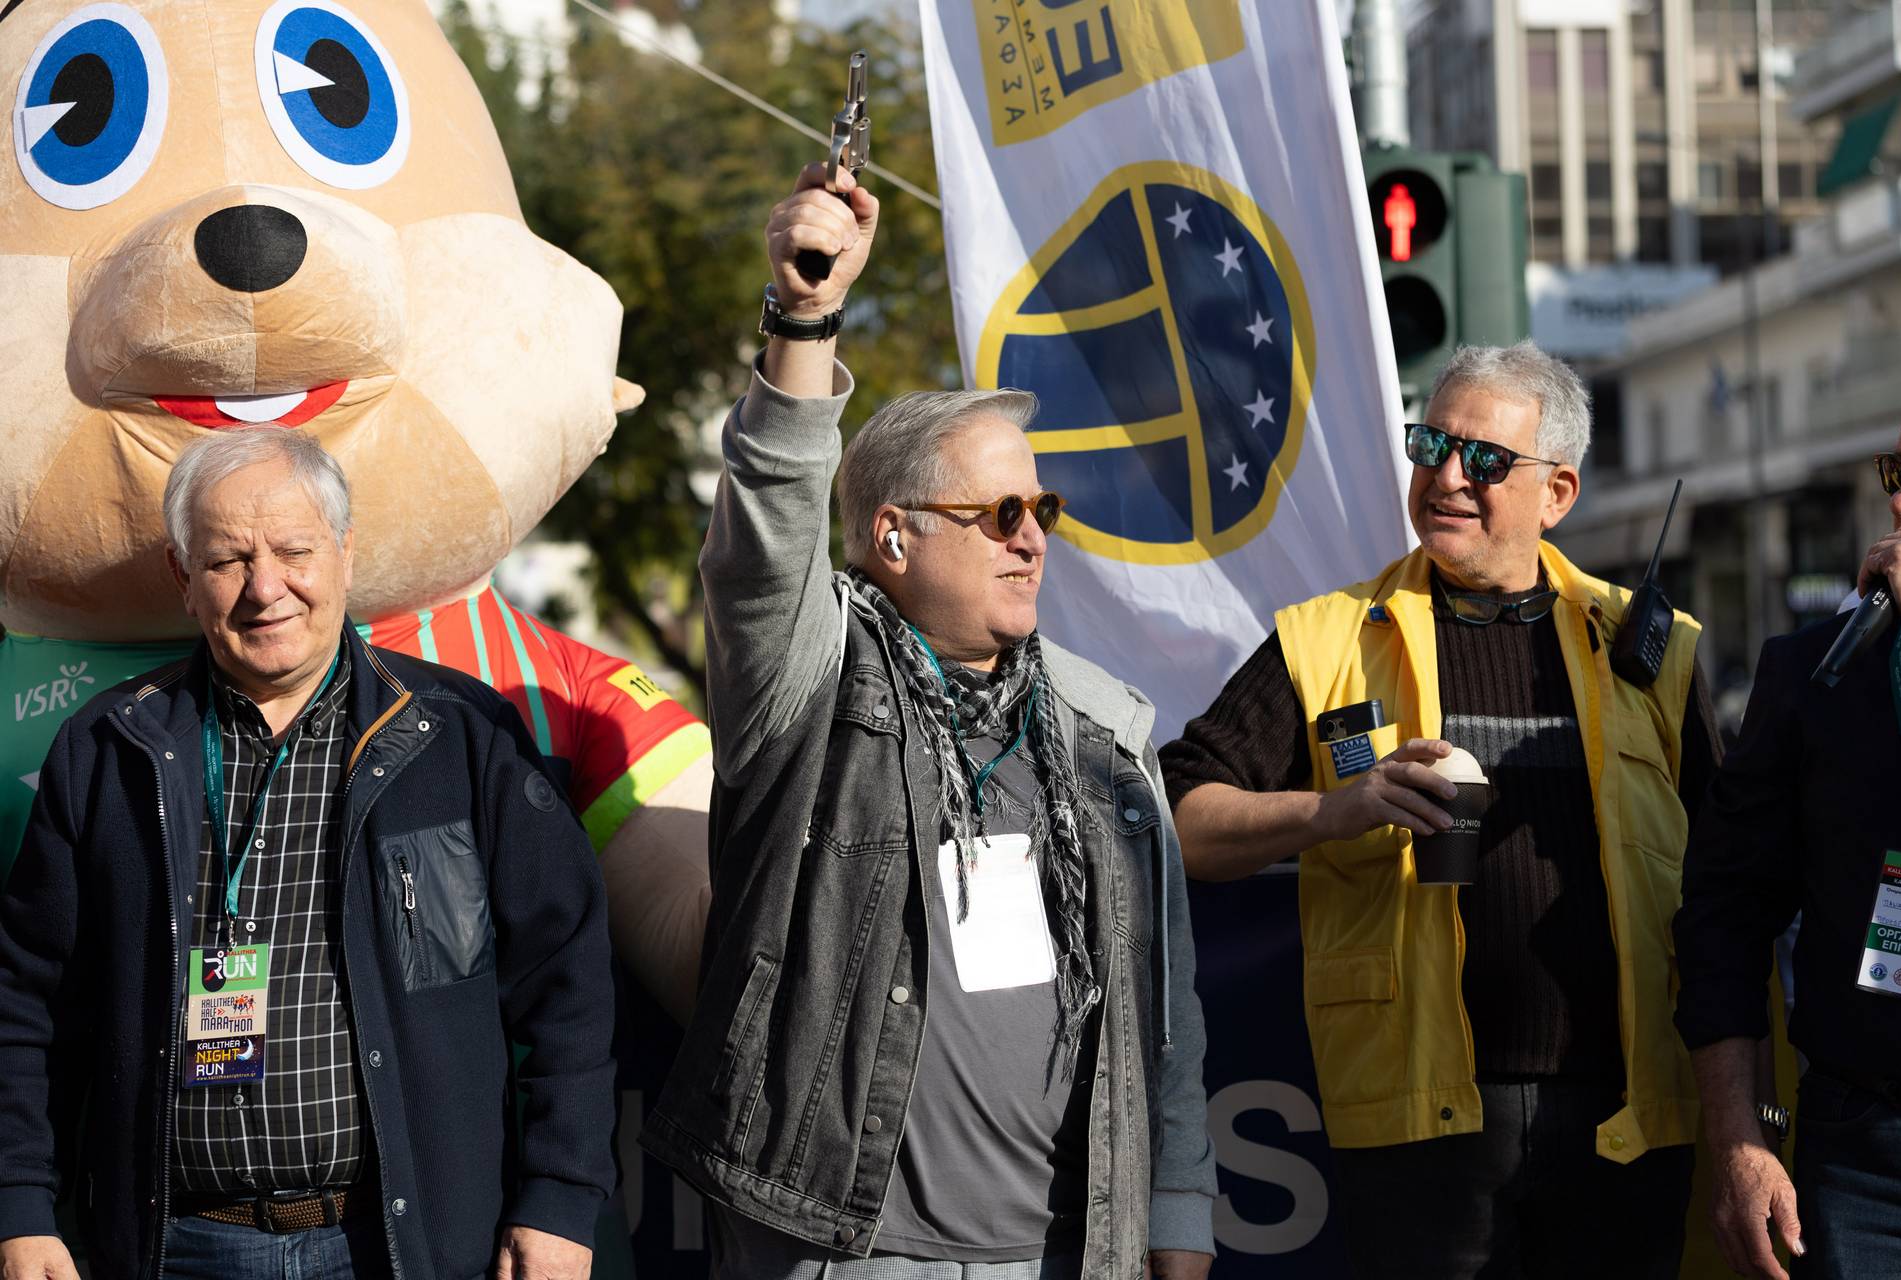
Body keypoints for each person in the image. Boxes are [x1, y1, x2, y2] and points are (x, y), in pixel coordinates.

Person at [639, 164, 1216, 1280]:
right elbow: (766, 535)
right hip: (842, 1246)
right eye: (999, 513)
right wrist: (804, 317)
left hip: (1066, 1252)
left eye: (1040, 509)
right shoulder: (811, 688)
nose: (1032, 538)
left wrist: (1178, 1204)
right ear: (894, 537)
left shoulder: (1103, 731)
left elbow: (1164, 997)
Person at [1160, 342, 1721, 1278]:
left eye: (1487, 459)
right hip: (1420, 1128)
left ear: (1557, 493)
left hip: (1625, 1120)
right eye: (1432, 445)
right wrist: (1326, 813)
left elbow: (1734, 885)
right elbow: (1175, 820)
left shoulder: (1653, 651)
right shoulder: (1327, 637)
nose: (1448, 476)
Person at [0, 429, 616, 1280]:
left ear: (345, 554)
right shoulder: (108, 750)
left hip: (405, 1249)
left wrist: (560, 1197)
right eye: (227, 560)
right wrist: (19, 1204)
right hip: (177, 1250)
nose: (265, 588)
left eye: (294, 551)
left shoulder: (461, 738)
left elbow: (566, 984)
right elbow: (27, 1001)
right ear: (183, 578)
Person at [1675, 396, 1901, 1280]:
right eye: (1900, 471)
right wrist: (1741, 1137)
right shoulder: (1813, 672)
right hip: (1867, 1157)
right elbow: (1726, 911)